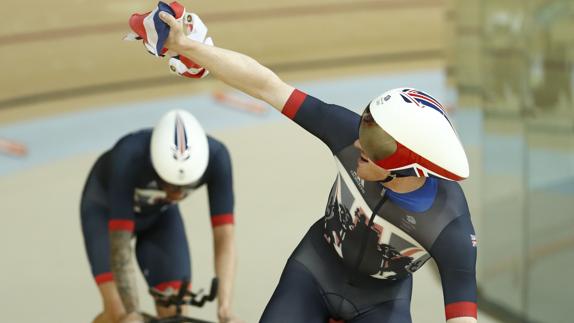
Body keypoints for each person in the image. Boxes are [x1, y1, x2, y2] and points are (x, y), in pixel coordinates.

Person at [153, 10, 478, 323]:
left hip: (383, 303)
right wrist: (188, 46)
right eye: (368, 126)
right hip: (314, 271)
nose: (359, 143)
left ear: (410, 169)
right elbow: (267, 85)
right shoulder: (346, 132)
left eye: (376, 143)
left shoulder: (451, 227)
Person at [80, 109, 242, 323]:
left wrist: (225, 309)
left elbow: (224, 237)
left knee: (175, 310)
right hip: (105, 212)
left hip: (159, 214)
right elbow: (120, 247)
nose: (176, 193)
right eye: (170, 184)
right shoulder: (128, 155)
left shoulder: (218, 158)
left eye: (185, 187)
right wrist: (132, 312)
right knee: (119, 314)